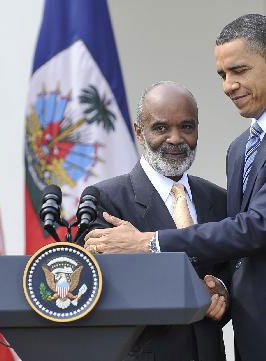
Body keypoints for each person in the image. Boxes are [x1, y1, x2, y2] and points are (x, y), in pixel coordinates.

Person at [85, 14, 266, 361]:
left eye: (239, 70)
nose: (228, 85)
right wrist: (219, 288)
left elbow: (257, 227)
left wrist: (148, 242)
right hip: (256, 339)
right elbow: (239, 254)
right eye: (222, 74)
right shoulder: (240, 148)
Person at [81, 81, 230, 361]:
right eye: (161, 128)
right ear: (140, 132)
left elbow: (238, 268)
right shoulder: (105, 199)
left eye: (186, 126)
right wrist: (188, 287)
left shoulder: (219, 199)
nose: (175, 138)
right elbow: (103, 286)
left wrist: (221, 288)